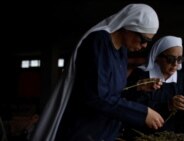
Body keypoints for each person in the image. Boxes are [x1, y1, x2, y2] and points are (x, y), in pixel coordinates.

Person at [30, 3, 165, 141]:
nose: (144, 46)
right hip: (84, 131)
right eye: (144, 39)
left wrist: (137, 88)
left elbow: (113, 94)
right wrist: (142, 113)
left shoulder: (122, 51)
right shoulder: (99, 42)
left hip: (104, 131)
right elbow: (97, 96)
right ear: (129, 27)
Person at [121, 36, 184, 140]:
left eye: (179, 59)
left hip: (171, 135)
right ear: (158, 57)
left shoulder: (182, 78)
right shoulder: (141, 75)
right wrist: (168, 105)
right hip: (141, 135)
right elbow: (131, 105)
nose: (175, 64)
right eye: (170, 59)